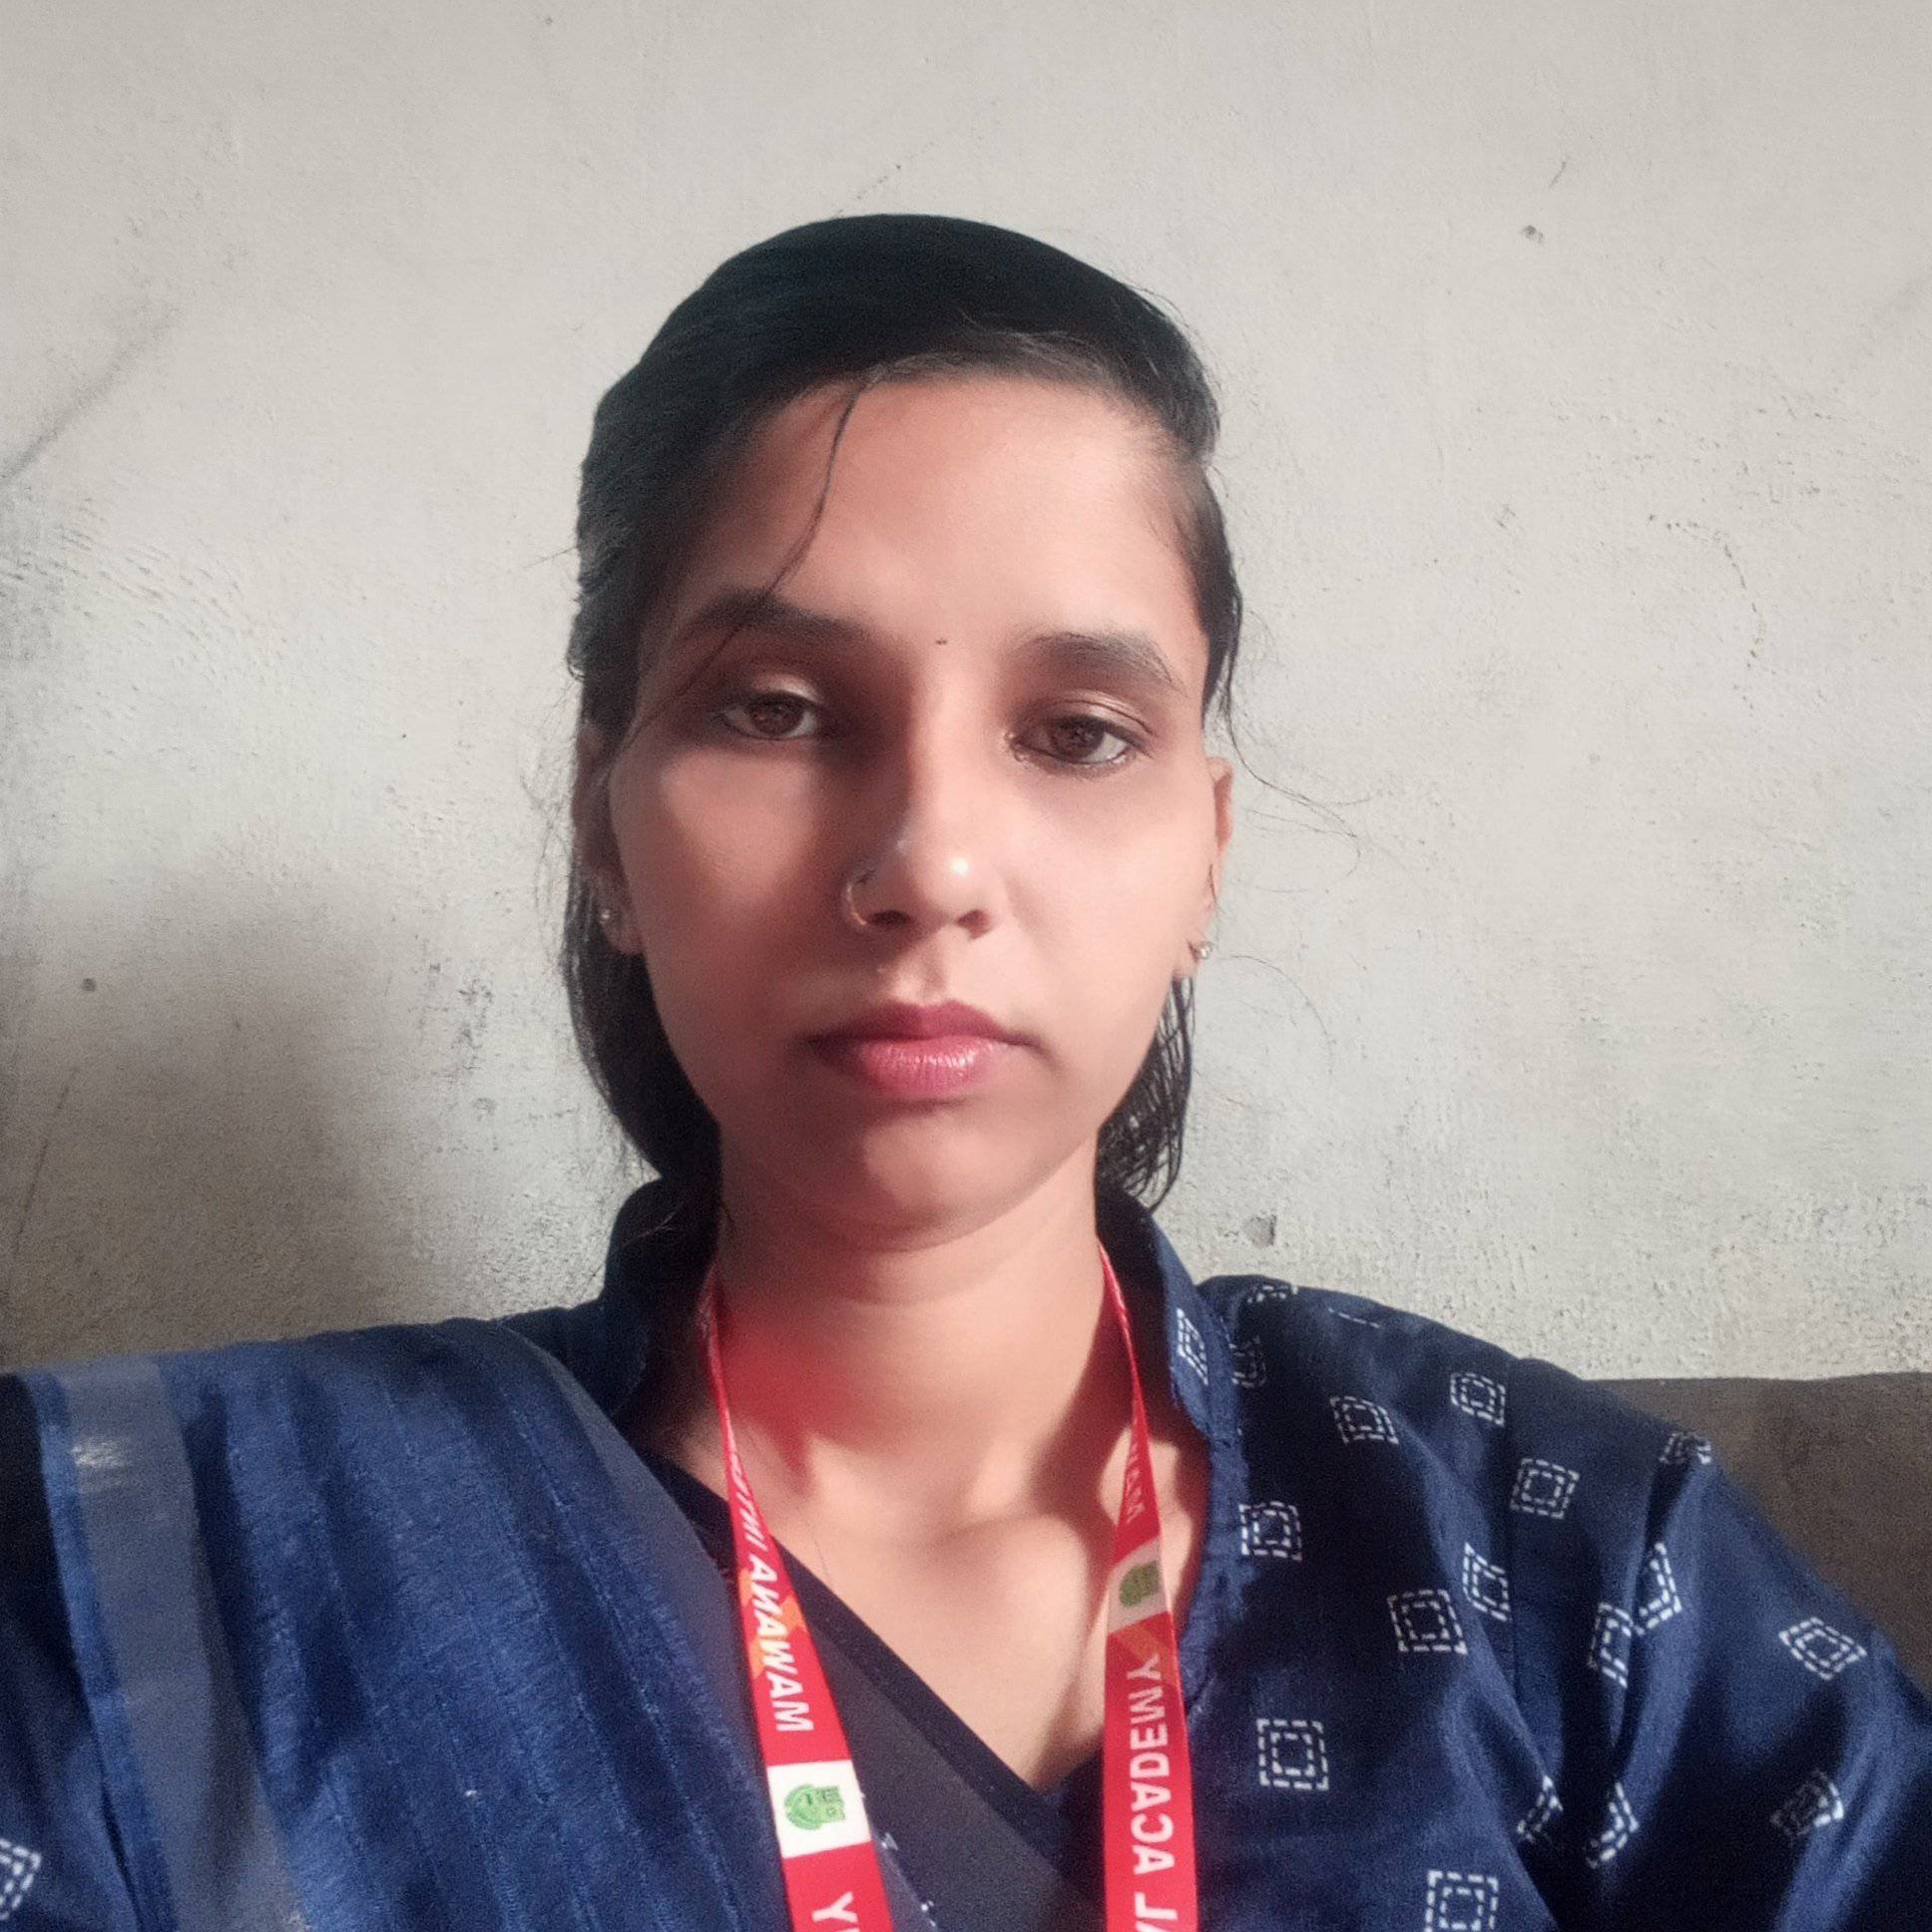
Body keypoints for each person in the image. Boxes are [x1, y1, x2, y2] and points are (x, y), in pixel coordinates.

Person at [2, 213, 1927, 1932]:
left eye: (1076, 733)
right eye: (776, 709)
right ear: (605, 829)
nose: (926, 863)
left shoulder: (1557, 1554)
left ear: (1206, 854)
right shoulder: (157, 1583)